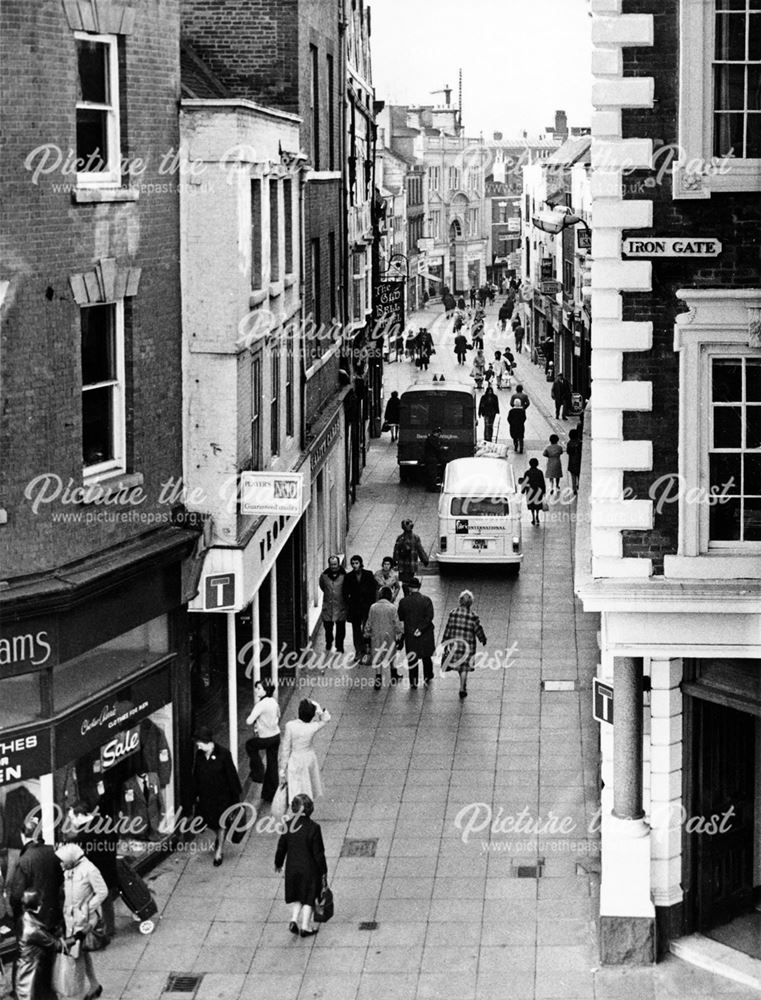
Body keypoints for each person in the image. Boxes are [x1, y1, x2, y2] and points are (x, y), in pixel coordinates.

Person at [55, 841, 108, 1000]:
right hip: (71, 920)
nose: (61, 863)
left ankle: (75, 993)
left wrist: (87, 908)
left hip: (83, 923)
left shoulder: (90, 870)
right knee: (80, 953)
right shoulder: (69, 869)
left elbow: (102, 892)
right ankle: (93, 985)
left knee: (74, 956)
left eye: (63, 860)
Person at [62, 801, 119, 941]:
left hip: (92, 876)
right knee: (106, 903)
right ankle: (108, 928)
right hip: (109, 870)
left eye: (73, 817)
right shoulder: (105, 823)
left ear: (80, 815)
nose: (72, 821)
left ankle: (98, 930)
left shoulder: (81, 837)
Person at [274, 794, 328, 938]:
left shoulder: (288, 825)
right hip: (309, 869)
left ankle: (293, 919)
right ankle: (305, 927)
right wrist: (323, 871)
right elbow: (319, 853)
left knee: (298, 895)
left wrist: (278, 863)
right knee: (309, 897)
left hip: (292, 867)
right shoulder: (314, 828)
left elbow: (281, 848)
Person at [192, 726, 242, 866]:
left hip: (222, 798)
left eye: (199, 743)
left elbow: (231, 776)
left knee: (221, 824)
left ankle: (219, 851)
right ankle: (219, 838)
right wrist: (194, 794)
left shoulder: (223, 754)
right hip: (206, 798)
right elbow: (196, 775)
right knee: (210, 823)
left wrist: (235, 799)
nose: (198, 746)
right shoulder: (199, 755)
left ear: (207, 741)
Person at [8, 817, 63, 935]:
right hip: (54, 912)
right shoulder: (52, 851)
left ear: (23, 835)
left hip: (34, 917)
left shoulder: (24, 860)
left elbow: (17, 895)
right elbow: (60, 879)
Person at [14, 889, 65, 1000]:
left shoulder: (23, 918)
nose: (42, 903)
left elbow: (43, 935)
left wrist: (52, 931)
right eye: (40, 901)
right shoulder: (33, 929)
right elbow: (58, 946)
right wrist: (80, 935)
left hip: (23, 971)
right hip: (32, 977)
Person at [279, 699, 331, 802]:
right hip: (308, 758)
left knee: (296, 785)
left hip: (295, 758)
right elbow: (326, 719)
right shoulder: (313, 727)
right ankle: (307, 804)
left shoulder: (290, 726)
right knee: (307, 784)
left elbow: (286, 749)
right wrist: (319, 709)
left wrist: (282, 768)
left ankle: (296, 805)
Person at [442, 590, 487, 699]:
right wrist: (483, 639)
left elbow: (448, 628)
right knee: (465, 667)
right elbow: (478, 630)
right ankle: (462, 687)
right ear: (470, 603)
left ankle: (462, 684)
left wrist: (444, 642)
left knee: (460, 666)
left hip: (456, 645)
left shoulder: (453, 613)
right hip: (468, 646)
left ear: (460, 601)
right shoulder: (473, 616)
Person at [245, 680, 281, 803]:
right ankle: (271, 794)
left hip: (265, 737)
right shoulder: (273, 702)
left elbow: (249, 721)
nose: (256, 690)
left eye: (259, 688)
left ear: (265, 690)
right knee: (273, 764)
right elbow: (278, 715)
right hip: (276, 736)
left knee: (250, 745)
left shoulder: (261, 704)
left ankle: (258, 772)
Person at [397, 577, 435, 689]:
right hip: (425, 633)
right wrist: (421, 628)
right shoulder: (427, 600)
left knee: (412, 657)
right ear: (419, 587)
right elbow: (429, 617)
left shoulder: (403, 602)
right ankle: (428, 676)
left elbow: (400, 616)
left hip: (410, 633)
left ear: (409, 588)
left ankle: (413, 681)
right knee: (426, 656)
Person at [365, 587, 403, 688]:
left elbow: (369, 622)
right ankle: (394, 675)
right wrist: (400, 633)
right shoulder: (392, 608)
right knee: (391, 655)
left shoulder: (373, 607)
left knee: (377, 657)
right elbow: (397, 624)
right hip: (389, 636)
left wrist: (367, 634)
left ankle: (378, 679)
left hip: (376, 636)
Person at [342, 555, 378, 662]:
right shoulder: (348, 576)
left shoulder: (368, 574)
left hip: (367, 607)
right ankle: (358, 651)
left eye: (356, 563)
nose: (354, 565)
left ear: (360, 563)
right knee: (356, 630)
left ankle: (367, 650)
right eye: (352, 563)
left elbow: (373, 589)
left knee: (367, 628)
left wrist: (371, 603)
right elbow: (345, 592)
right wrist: (349, 603)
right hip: (355, 608)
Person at [319, 555, 347, 654]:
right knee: (328, 628)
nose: (333, 566)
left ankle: (339, 646)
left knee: (340, 629)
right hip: (328, 607)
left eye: (335, 564)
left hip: (340, 606)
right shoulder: (324, 576)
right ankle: (329, 642)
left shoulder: (344, 575)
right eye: (331, 564)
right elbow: (322, 586)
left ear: (338, 564)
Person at [393, 519, 430, 594]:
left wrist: (394, 561)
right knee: (409, 580)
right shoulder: (415, 538)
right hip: (411, 564)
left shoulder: (400, 538)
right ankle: (410, 593)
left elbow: (396, 551)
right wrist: (425, 559)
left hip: (403, 564)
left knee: (405, 582)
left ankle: (407, 594)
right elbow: (420, 549)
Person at [521, 458, 546, 526]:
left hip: (530, 491)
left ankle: (533, 517)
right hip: (538, 491)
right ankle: (537, 515)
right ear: (537, 464)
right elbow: (542, 482)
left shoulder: (527, 473)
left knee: (532, 505)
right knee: (537, 504)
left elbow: (524, 482)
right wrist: (544, 491)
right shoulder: (540, 472)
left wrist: (523, 490)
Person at [423, 427, 444, 492]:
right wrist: (442, 448)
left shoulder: (429, 438)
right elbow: (436, 448)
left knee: (429, 473)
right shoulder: (433, 439)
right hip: (432, 458)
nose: (439, 435)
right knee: (432, 474)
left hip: (429, 458)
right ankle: (432, 488)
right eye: (439, 434)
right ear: (437, 433)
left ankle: (429, 487)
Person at [566, 427, 583, 494]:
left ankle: (574, 489)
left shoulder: (569, 443)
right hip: (579, 461)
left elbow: (568, 452)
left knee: (573, 476)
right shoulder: (580, 443)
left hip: (572, 462)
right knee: (579, 475)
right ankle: (579, 485)